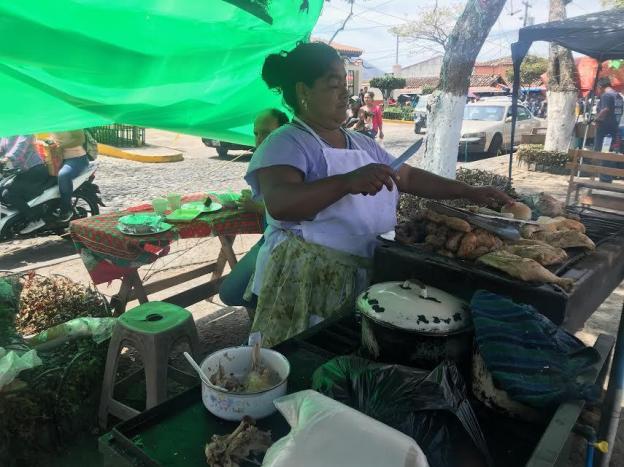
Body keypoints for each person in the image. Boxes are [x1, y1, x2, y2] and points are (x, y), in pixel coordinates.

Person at [245, 42, 512, 347]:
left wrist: (468, 191)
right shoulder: (286, 142)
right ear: (303, 90)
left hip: (368, 267)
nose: (346, 93)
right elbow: (281, 204)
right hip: (310, 277)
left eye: (345, 83)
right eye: (333, 84)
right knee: (307, 348)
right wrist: (347, 182)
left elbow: (406, 176)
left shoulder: (361, 142)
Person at [218, 108, 289, 309]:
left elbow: (296, 214)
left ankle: (273, 307)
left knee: (230, 293)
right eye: (256, 133)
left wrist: (258, 207)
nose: (259, 139)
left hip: (284, 243)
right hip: (268, 237)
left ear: (284, 132)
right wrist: (252, 202)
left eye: (266, 133)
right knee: (233, 292)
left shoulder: (291, 162)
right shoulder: (266, 161)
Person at [0, 135, 49, 234]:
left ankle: (35, 219)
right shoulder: (5, 135)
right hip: (21, 172)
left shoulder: (25, 132)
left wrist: (5, 160)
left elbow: (19, 149)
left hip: (35, 170)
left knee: (8, 194)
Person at [49, 130, 90, 221]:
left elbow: (80, 139)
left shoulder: (71, 123)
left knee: (63, 175)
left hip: (77, 158)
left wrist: (60, 145)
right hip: (59, 159)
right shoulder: (50, 124)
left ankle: (66, 210)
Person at [594, 77, 624, 182]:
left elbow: (605, 109)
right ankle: (607, 178)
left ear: (600, 86)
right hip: (614, 129)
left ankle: (604, 180)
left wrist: (596, 119)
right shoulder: (618, 96)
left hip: (604, 129)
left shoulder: (606, 95)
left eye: (598, 88)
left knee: (602, 153)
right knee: (610, 153)